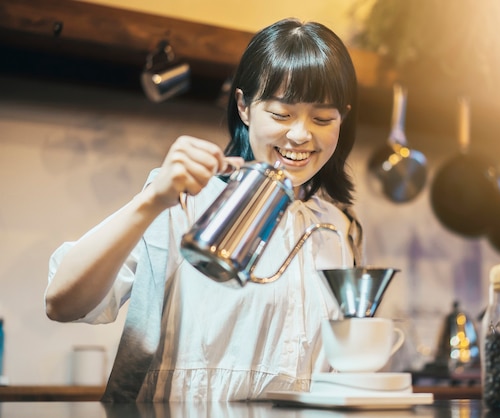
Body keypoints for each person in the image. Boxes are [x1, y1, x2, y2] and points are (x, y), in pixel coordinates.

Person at [45, 18, 362, 402]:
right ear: (244, 106)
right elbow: (62, 303)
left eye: (323, 119)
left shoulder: (337, 228)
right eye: (282, 114)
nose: (300, 135)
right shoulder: (188, 198)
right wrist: (151, 200)